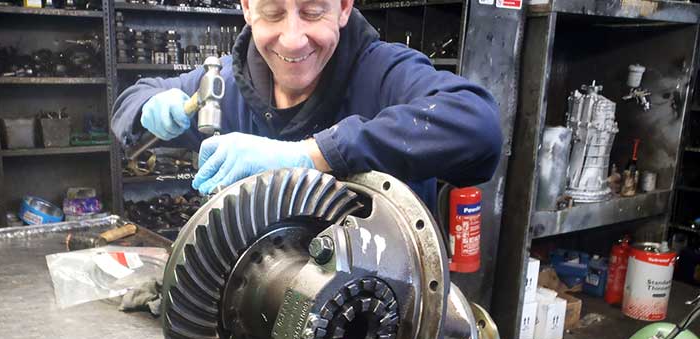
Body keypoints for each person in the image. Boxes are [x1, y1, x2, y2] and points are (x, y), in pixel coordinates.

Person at [111, 0, 502, 212]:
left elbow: (478, 127)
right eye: (273, 13)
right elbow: (133, 98)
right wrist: (147, 105)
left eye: (313, 11)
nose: (293, 39)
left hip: (381, 326)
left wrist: (312, 155)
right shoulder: (223, 86)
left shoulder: (383, 73)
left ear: (344, 8)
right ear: (247, 8)